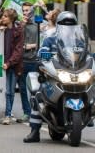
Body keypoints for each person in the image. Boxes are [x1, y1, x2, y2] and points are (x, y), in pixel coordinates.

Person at [23, 11, 85, 142]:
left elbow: (86, 55)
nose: (67, 27)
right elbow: (42, 51)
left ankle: (88, 113)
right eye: (64, 24)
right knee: (38, 95)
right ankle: (34, 132)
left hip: (74, 73)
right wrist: (44, 54)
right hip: (55, 75)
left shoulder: (79, 42)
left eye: (71, 25)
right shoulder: (50, 40)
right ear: (59, 25)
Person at [1, 8, 24, 125]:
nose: (2, 18)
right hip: (3, 65)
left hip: (12, 66)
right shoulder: (3, 31)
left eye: (5, 16)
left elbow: (18, 51)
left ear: (10, 18)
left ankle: (7, 115)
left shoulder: (18, 32)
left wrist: (8, 63)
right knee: (5, 91)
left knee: (10, 91)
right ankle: (6, 113)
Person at [17, 2, 38, 123]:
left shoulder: (39, 24)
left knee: (35, 89)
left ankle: (37, 112)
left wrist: (34, 45)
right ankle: (26, 112)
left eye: (28, 10)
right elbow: (15, 39)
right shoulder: (20, 24)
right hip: (22, 61)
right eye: (24, 11)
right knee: (23, 89)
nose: (25, 13)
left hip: (35, 61)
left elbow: (43, 39)